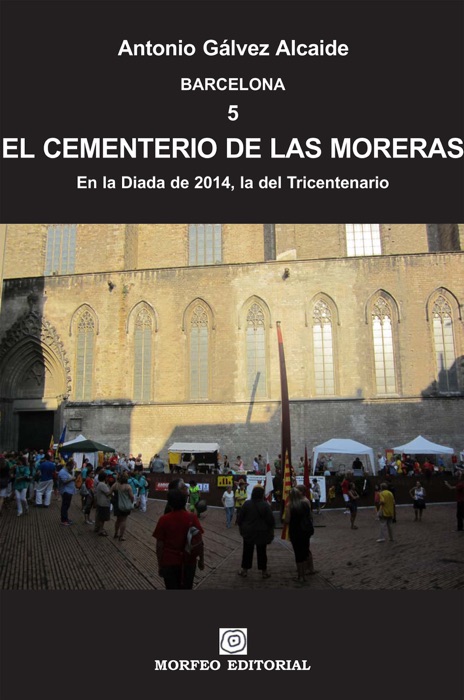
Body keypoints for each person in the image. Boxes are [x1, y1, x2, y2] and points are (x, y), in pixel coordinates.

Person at [153, 489, 205, 589]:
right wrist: (201, 560)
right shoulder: (192, 518)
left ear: (170, 503)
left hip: (169, 562)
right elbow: (200, 541)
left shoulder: (164, 519)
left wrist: (160, 565)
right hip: (189, 561)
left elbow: (159, 545)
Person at [237, 486, 274, 579]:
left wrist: (242, 528)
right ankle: (264, 571)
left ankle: (244, 570)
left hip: (248, 532)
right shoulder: (266, 505)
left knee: (247, 551)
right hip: (262, 532)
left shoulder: (247, 504)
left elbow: (240, 518)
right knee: (262, 552)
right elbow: (271, 520)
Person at [285, 487, 316, 582]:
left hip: (295, 531)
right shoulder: (305, 504)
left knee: (298, 553)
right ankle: (306, 571)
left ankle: (300, 576)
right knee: (304, 551)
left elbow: (287, 520)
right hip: (305, 531)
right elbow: (310, 516)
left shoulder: (289, 505)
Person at [109, 472, 134, 541]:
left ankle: (116, 533)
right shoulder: (128, 486)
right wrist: (131, 502)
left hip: (117, 504)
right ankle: (121, 536)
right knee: (123, 520)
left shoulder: (115, 485)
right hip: (124, 504)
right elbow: (131, 496)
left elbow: (109, 492)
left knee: (118, 519)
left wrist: (113, 499)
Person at [57, 459, 76, 525]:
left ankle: (66, 518)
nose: (71, 469)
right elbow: (64, 481)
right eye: (71, 467)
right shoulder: (62, 472)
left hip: (69, 491)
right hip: (66, 491)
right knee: (65, 506)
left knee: (67, 505)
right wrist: (72, 479)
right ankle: (64, 520)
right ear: (68, 466)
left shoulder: (66, 472)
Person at [94, 471, 112, 536]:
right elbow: (108, 493)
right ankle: (101, 530)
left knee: (99, 516)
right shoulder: (102, 485)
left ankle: (98, 528)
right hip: (103, 503)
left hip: (100, 502)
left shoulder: (100, 484)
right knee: (102, 518)